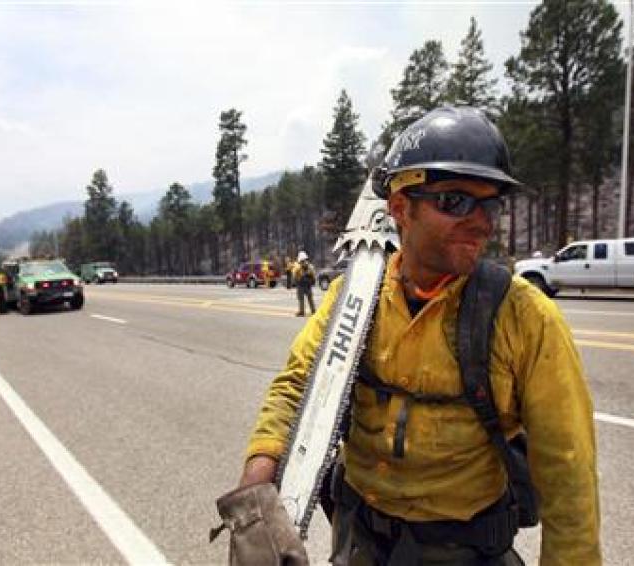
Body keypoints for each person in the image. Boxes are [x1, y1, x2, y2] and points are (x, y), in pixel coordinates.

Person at [227, 106, 600, 565]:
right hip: (361, 541)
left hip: (463, 553)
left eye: (491, 204)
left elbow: (569, 477)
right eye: (456, 201)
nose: (481, 220)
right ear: (400, 207)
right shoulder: (354, 299)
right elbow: (297, 387)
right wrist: (256, 493)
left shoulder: (525, 317)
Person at [292, 251, 316, 316]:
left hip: (301, 285)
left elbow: (294, 276)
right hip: (308, 285)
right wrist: (312, 282)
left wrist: (295, 282)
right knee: (310, 298)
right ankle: (313, 310)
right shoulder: (310, 266)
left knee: (301, 299)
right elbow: (313, 276)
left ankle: (302, 312)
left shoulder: (297, 266)